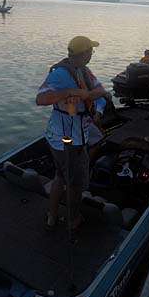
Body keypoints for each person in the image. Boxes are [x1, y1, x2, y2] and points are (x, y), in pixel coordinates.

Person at [36, 36, 108, 232]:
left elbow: (100, 90)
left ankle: (52, 215)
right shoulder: (60, 73)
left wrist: (95, 104)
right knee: (75, 185)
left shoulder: (84, 71)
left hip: (79, 132)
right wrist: (67, 92)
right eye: (91, 51)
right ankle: (73, 219)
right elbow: (41, 99)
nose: (93, 53)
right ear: (83, 53)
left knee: (61, 176)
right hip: (66, 139)